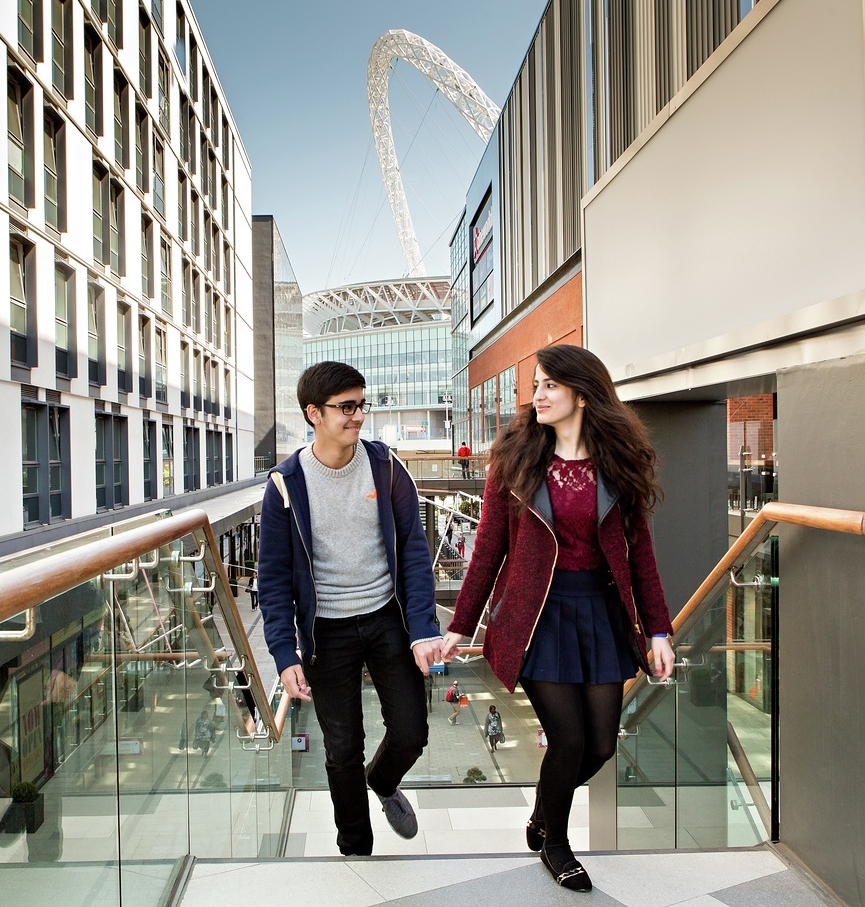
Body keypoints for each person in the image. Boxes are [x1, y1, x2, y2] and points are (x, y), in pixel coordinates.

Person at [442, 344, 675, 893]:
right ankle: (556, 844)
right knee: (567, 738)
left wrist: (659, 630)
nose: (537, 396)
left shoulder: (619, 464)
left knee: (601, 745)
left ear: (583, 394)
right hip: (536, 615)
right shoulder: (516, 460)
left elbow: (640, 555)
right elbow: (488, 552)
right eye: (536, 385)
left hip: (600, 613)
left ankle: (543, 814)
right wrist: (461, 625)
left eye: (549, 385)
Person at [258, 360, 442, 856]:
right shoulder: (283, 485)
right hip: (325, 632)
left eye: (362, 404)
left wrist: (423, 627)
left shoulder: (385, 466)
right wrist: (284, 654)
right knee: (341, 750)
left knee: (411, 731)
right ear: (313, 413)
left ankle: (382, 782)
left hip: (387, 618)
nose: (358, 415)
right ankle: (355, 849)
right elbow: (272, 579)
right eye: (346, 407)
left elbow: (414, 549)